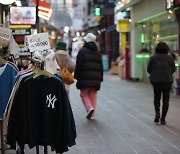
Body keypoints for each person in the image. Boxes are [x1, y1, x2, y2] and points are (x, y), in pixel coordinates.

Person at [74, 33, 103, 120]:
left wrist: (76, 76)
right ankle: (93, 115)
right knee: (93, 94)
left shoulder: (82, 51)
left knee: (83, 94)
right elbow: (101, 66)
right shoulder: (98, 52)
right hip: (96, 78)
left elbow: (78, 65)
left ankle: (89, 108)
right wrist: (100, 78)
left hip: (84, 78)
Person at [147, 42, 176, 125]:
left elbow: (149, 69)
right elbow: (173, 69)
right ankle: (163, 118)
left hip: (156, 81)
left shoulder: (153, 58)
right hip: (167, 81)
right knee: (166, 100)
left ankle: (157, 113)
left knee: (157, 98)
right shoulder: (170, 58)